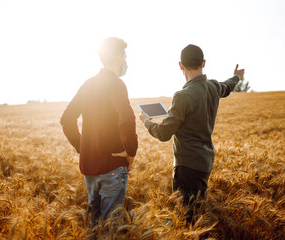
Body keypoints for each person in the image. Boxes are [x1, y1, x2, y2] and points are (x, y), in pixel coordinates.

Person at [139, 44, 245, 222]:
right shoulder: (213, 87)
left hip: (187, 167)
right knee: (196, 217)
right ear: (203, 62)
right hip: (205, 164)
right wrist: (237, 76)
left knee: (185, 220)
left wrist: (146, 121)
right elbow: (227, 86)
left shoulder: (183, 95)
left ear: (180, 65)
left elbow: (164, 133)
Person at [60, 37, 138, 228]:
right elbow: (127, 120)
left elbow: (66, 119)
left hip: (90, 169)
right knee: (110, 228)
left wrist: (83, 147)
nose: (126, 60)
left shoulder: (88, 84)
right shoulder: (116, 84)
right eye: (125, 55)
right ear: (119, 57)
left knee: (94, 226)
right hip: (113, 167)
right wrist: (131, 152)